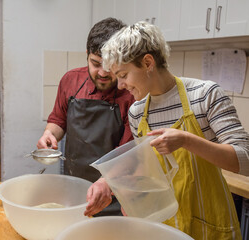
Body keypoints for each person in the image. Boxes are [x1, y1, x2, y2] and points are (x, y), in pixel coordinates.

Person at [85, 21, 249, 239]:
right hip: (164, 223)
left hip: (209, 223)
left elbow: (245, 160)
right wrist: (110, 184)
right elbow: (147, 170)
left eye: (123, 75)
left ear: (147, 62)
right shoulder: (137, 112)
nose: (120, 85)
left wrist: (186, 140)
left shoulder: (205, 95)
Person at [36, 18, 135, 216]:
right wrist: (50, 134)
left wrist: (107, 182)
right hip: (75, 185)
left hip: (116, 192)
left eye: (110, 65)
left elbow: (129, 153)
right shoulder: (71, 80)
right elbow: (58, 119)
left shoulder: (132, 92)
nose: (103, 73)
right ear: (87, 55)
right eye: (95, 64)